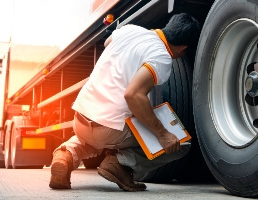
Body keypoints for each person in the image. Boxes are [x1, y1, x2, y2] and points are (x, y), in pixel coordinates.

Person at [49, 13, 200, 191]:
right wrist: (163, 134)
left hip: (80, 118)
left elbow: (107, 43)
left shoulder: (129, 30)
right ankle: (119, 165)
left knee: (90, 140)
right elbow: (133, 95)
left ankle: (65, 156)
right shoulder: (161, 56)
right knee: (180, 144)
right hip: (109, 129)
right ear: (183, 48)